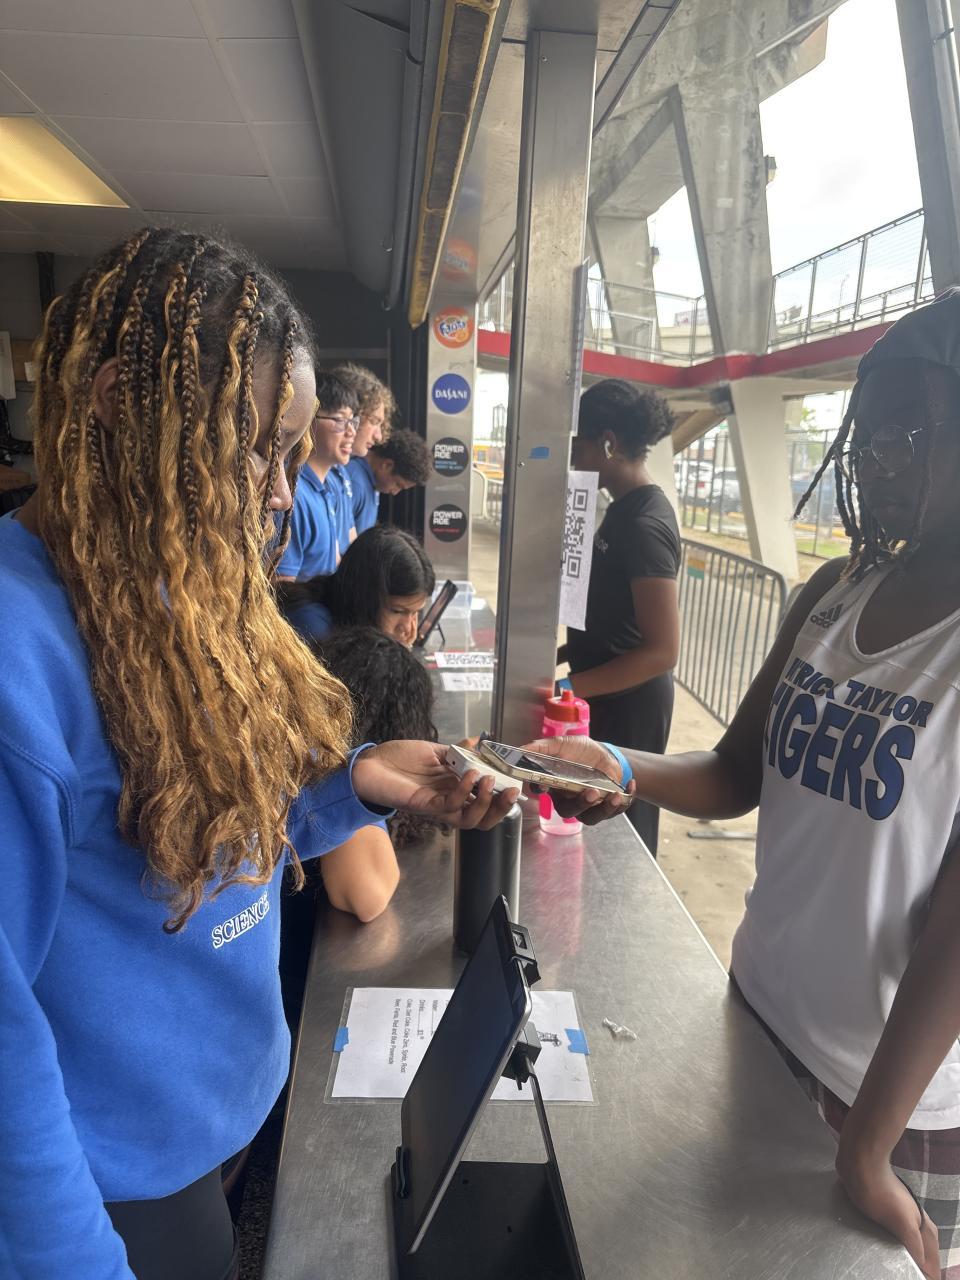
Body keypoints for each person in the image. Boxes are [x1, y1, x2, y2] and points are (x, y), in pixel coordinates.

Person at [0, 227, 519, 1280]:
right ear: (121, 406)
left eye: (290, 457)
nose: (282, 495)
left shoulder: (163, 588)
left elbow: (181, 819)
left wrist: (349, 783)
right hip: (109, 1195)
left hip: (210, 1134)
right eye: (258, 451)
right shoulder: (19, 655)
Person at [535, 291, 960, 1280]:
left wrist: (867, 1148)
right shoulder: (834, 592)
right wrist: (619, 764)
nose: (876, 459)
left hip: (890, 1101)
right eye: (867, 432)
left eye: (909, 433)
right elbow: (736, 771)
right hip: (757, 1013)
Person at [564, 379, 681, 854]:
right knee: (594, 812)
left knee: (623, 827)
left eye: (579, 445)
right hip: (604, 690)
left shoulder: (645, 523)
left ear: (608, 442)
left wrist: (570, 688)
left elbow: (662, 651)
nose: (573, 456)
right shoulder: (622, 508)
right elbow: (615, 613)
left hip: (631, 704)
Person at [277, 524, 435, 646]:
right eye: (397, 611)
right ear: (365, 597)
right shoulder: (314, 627)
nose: (408, 629)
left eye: (415, 613)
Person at [275, 369, 359, 580]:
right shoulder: (292, 493)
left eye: (352, 421)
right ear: (307, 420)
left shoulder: (332, 482)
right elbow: (282, 586)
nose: (351, 432)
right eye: (339, 420)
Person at [331, 362, 397, 536]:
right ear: (349, 415)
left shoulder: (340, 473)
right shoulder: (349, 476)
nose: (379, 436)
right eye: (374, 421)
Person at [367, 427, 431, 499]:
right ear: (387, 465)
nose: (394, 492)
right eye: (398, 485)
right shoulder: (358, 485)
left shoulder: (372, 483)